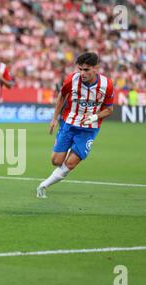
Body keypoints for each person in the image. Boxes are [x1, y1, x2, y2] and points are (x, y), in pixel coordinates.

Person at [37, 52, 114, 198]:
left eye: (86, 70)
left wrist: (93, 117)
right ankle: (62, 141)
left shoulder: (106, 85)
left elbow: (109, 109)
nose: (82, 73)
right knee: (56, 161)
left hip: (89, 129)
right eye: (80, 69)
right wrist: (54, 118)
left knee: (71, 163)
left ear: (95, 68)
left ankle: (43, 186)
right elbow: (61, 96)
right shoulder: (72, 80)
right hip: (69, 123)